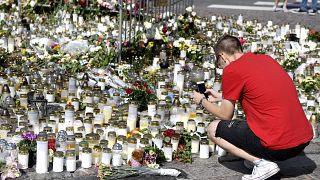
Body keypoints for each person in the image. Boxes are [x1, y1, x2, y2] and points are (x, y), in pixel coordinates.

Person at [192, 35, 313, 180]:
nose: (221, 68)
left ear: (222, 56)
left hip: (278, 146)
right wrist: (221, 96)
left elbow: (225, 115)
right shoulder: (266, 59)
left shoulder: (232, 69)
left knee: (213, 128)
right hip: (301, 141)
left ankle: (262, 163)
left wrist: (202, 101)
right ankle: (261, 157)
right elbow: (260, 90)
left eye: (219, 64)